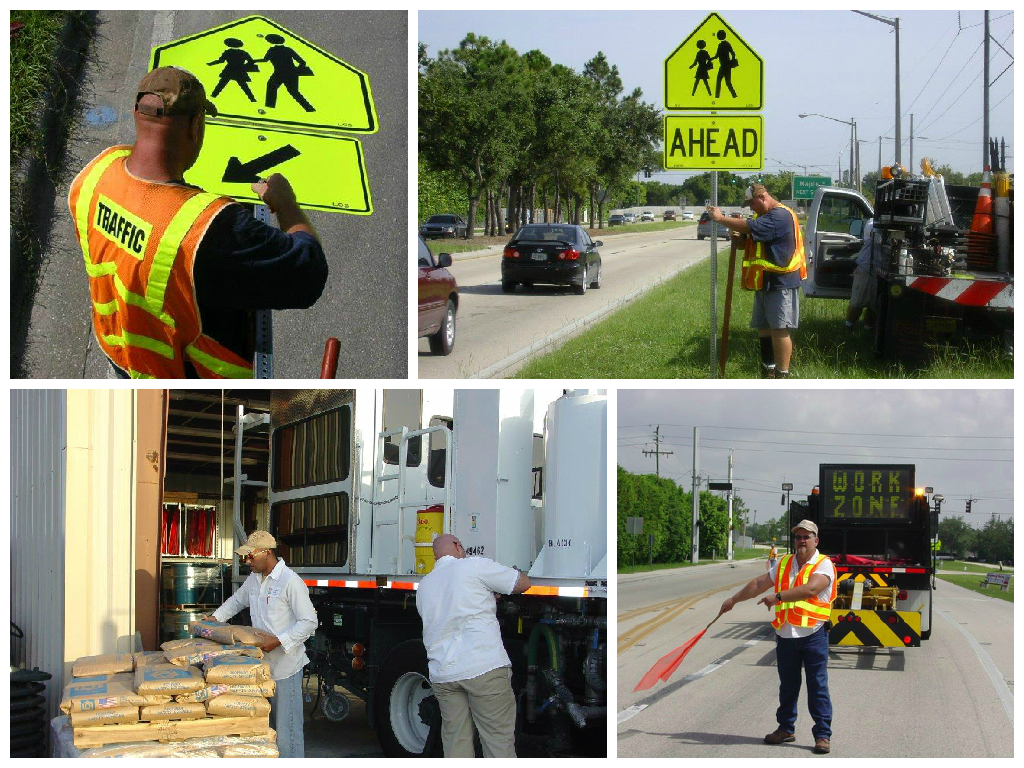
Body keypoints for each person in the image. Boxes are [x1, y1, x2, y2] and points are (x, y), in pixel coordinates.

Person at [68, 67, 327, 379]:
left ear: (138, 114)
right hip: (183, 377)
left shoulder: (94, 175)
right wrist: (286, 205)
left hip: (120, 353)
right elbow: (308, 273)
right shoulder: (209, 228)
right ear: (194, 125)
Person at [719, 520, 836, 754]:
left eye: (806, 537)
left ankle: (822, 735)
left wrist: (779, 597)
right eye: (797, 537)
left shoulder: (824, 565)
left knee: (817, 687)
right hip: (786, 635)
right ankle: (785, 729)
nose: (801, 541)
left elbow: (811, 589)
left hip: (813, 635)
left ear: (816, 540)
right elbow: (760, 583)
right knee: (788, 686)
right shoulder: (784, 563)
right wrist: (734, 599)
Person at [416, 533, 531, 758]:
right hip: (482, 667)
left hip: (444, 674)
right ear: (458, 546)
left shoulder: (425, 586)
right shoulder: (473, 566)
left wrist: (485, 593)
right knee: (497, 741)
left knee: (455, 741)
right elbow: (522, 583)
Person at [210, 531, 317, 758]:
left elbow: (309, 622)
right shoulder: (254, 580)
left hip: (285, 667)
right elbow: (237, 601)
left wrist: (278, 641)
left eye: (249, 557)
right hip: (261, 667)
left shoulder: (290, 581)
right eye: (244, 558)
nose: (246, 562)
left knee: (286, 729)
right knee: (264, 728)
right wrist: (214, 620)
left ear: (266, 553)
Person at [708, 183, 806, 378]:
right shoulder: (760, 216)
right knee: (763, 327)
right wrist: (739, 239)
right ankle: (768, 369)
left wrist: (721, 219)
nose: (751, 208)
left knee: (780, 328)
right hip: (763, 281)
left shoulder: (780, 215)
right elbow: (749, 241)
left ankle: (782, 374)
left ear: (762, 197)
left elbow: (753, 227)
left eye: (752, 203)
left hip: (781, 281)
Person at [258, 33, 316, 112]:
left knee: (272, 87)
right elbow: (302, 62)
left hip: (279, 73)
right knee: (293, 92)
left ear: (271, 41)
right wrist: (296, 70)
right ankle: (309, 109)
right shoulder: (288, 49)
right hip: (291, 73)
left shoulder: (272, 50)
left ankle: (270, 107)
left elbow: (264, 60)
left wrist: (253, 61)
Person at [845, 217, 876, 331]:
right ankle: (849, 326)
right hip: (865, 267)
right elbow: (874, 231)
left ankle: (868, 328)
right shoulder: (872, 222)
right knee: (858, 301)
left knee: (873, 304)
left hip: (879, 270)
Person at [713, 30, 738, 98]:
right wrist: (710, 59)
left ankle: (734, 95)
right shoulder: (720, 45)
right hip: (723, 66)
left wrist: (732, 61)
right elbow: (716, 56)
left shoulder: (726, 44)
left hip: (726, 66)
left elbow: (732, 53)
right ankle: (718, 96)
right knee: (723, 81)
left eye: (719, 35)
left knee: (725, 82)